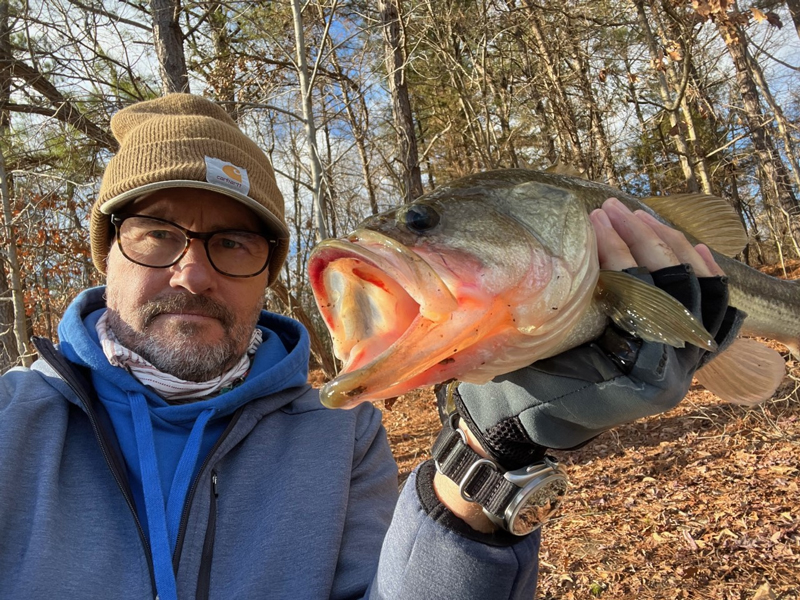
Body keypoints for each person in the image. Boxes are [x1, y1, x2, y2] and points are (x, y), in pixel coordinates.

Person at [0, 94, 740, 599]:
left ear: (267, 271)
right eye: (158, 233)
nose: (192, 273)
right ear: (107, 251)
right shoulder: (10, 422)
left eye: (231, 242)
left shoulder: (341, 428)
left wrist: (489, 460)